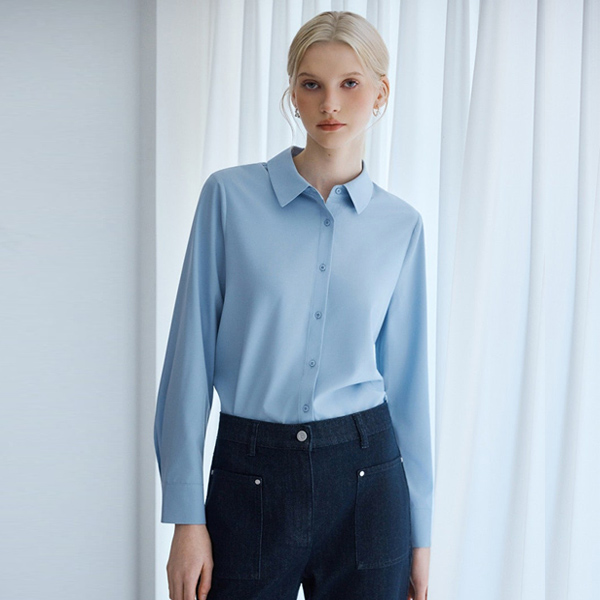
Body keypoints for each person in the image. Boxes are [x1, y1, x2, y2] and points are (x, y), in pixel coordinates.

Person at [154, 10, 433, 600]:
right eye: (312, 84)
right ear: (293, 93)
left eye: (349, 83)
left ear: (381, 92)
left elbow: (408, 389)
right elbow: (189, 361)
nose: (330, 103)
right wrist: (185, 515)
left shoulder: (401, 226)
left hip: (368, 480)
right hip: (249, 476)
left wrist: (420, 536)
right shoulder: (228, 198)